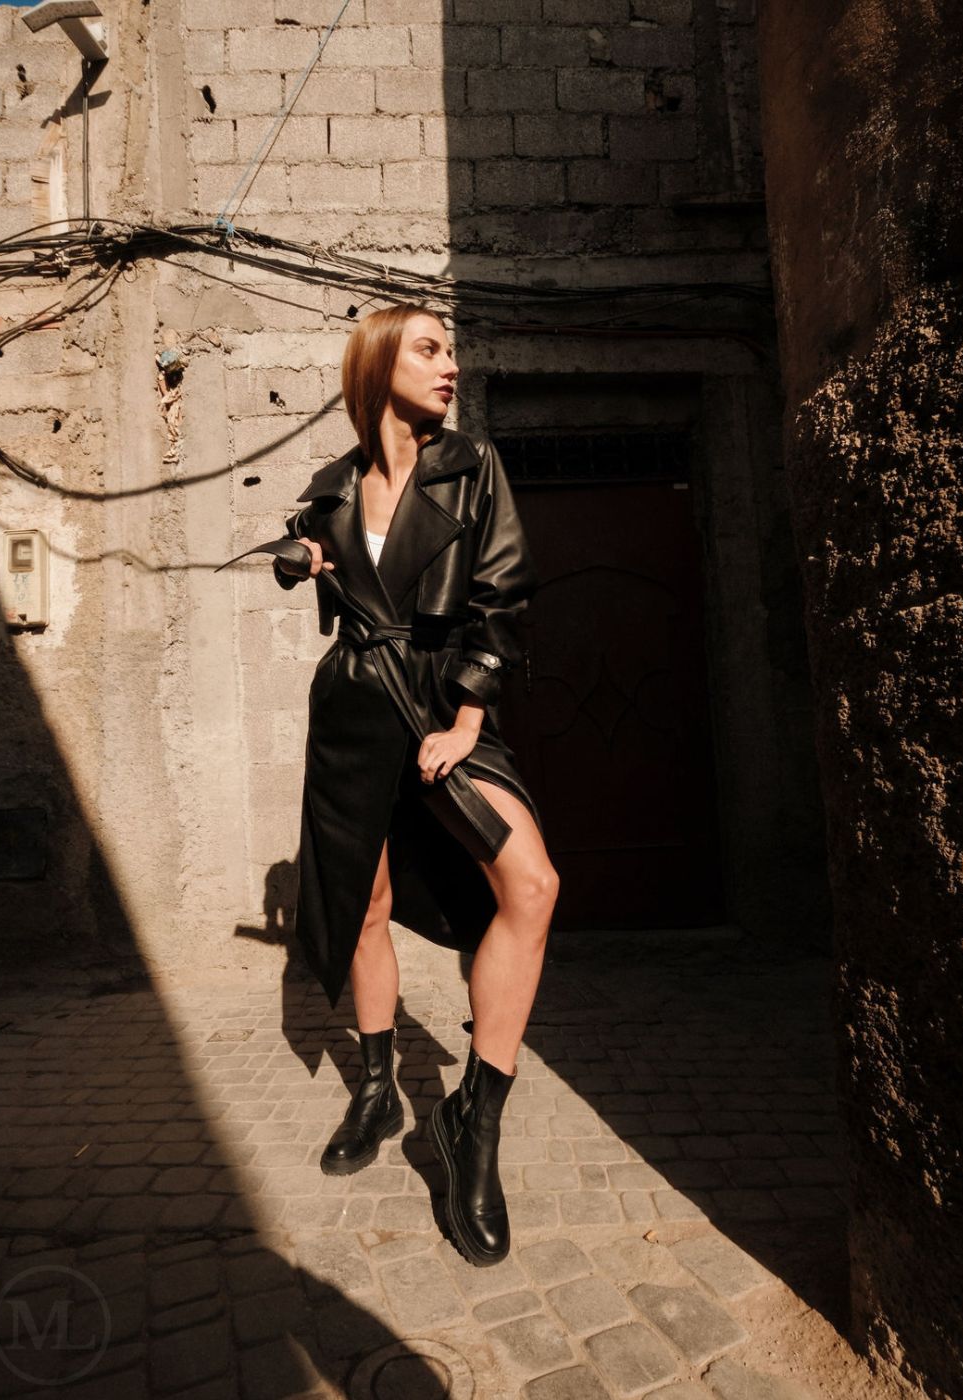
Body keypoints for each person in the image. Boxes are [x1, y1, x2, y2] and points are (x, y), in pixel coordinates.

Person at [272, 303, 559, 1266]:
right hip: (355, 710)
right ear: (377, 366)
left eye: (452, 351)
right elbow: (337, 584)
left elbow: (502, 595)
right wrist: (310, 557)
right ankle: (377, 1088)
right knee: (364, 903)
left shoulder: (471, 467)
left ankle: (475, 1116)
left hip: (441, 699)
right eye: (429, 349)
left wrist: (468, 718)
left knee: (530, 885)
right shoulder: (329, 491)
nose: (450, 365)